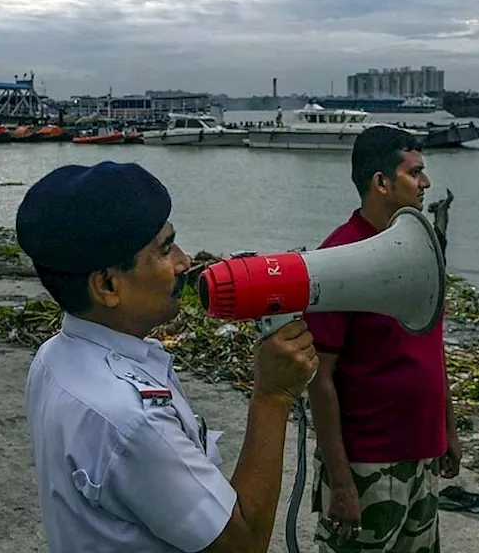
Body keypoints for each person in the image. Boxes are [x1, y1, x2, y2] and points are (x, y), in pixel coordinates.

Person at [16, 161, 319, 552]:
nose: (184, 261)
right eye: (165, 248)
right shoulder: (130, 420)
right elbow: (242, 544)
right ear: (108, 285)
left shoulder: (53, 357)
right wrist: (273, 396)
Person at [305, 126, 461, 552]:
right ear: (381, 182)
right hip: (369, 464)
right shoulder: (339, 261)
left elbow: (432, 345)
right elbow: (321, 381)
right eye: (416, 172)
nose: (426, 183)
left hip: (423, 458)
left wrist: (446, 428)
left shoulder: (421, 252)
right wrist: (340, 480)